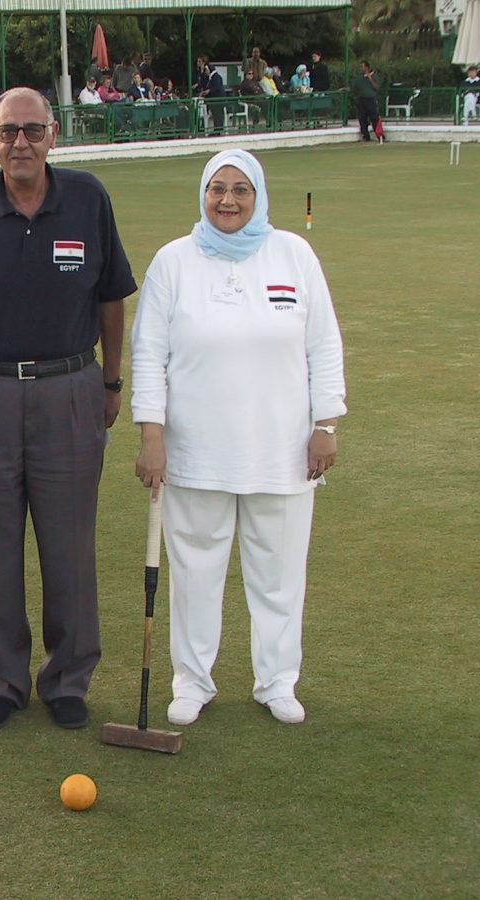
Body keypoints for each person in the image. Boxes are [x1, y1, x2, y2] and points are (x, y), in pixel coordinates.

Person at [0, 87, 136, 733]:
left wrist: (111, 384)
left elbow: (111, 301)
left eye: (33, 130)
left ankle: (67, 679)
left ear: (54, 134)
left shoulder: (89, 199)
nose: (21, 142)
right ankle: (4, 680)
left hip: (69, 389)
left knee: (70, 546)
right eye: (9, 131)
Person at [131, 148, 346, 727]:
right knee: (195, 575)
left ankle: (276, 681)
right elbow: (149, 355)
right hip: (195, 454)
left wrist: (325, 425)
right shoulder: (173, 262)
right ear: (203, 194)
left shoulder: (293, 255)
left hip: (282, 452)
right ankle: (192, 681)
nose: (227, 200)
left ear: (258, 196)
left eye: (240, 190)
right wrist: (151, 435)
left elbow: (323, 345)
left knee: (278, 576)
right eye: (217, 188)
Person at [351, 60, 381, 142]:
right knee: (362, 118)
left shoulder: (374, 76)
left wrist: (370, 79)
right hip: (362, 100)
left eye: (362, 66)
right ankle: (365, 136)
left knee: (374, 118)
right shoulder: (360, 78)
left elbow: (377, 88)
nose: (361, 68)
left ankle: (379, 135)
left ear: (367, 67)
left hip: (371, 99)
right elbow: (354, 88)